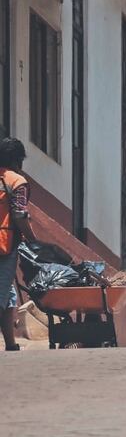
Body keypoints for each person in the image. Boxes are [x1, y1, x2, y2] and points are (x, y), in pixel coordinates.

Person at [0, 138, 37, 351]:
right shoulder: (17, 182)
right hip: (4, 246)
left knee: (9, 295)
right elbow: (19, 215)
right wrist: (33, 240)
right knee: (1, 292)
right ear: (17, 160)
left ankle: (11, 343)